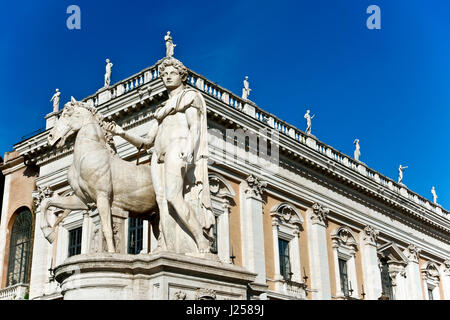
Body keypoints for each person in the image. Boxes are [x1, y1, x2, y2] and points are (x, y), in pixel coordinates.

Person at [106, 57, 214, 254]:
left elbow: (195, 126)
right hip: (158, 154)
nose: (167, 77)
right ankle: (168, 246)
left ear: (182, 76)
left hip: (178, 147)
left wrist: (189, 149)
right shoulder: (161, 110)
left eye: (172, 73)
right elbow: (146, 142)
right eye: (164, 75)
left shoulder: (189, 97)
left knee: (173, 196)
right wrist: (122, 133)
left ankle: (201, 241)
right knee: (162, 201)